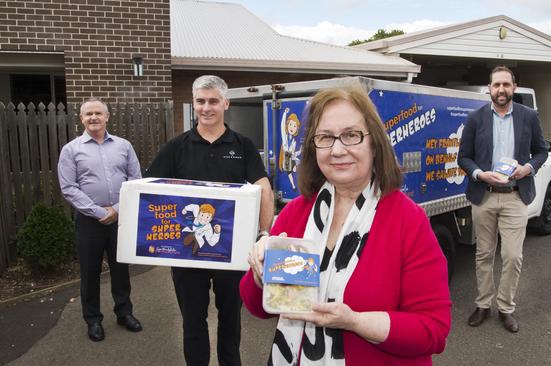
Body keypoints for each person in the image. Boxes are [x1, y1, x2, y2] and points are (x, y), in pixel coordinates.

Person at [240, 85, 451, 365]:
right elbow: (258, 307)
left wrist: (355, 322)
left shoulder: (407, 220)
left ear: (374, 143)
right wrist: (260, 270)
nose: (337, 150)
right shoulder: (297, 212)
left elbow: (432, 330)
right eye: (326, 137)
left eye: (351, 135)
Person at [145, 75, 274, 366]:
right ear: (193, 104)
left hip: (231, 253)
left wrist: (264, 233)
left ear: (225, 103)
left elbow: (264, 189)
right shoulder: (176, 147)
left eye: (213, 101)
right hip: (188, 255)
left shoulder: (242, 145)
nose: (207, 107)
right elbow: (152, 189)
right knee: (193, 323)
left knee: (231, 322)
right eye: (201, 101)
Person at [457, 66, 548, 333]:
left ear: (514, 87)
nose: (501, 90)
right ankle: (483, 304)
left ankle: (506, 308)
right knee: (484, 253)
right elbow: (464, 157)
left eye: (506, 85)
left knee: (512, 256)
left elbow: (541, 152)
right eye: (496, 85)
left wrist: (527, 168)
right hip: (484, 196)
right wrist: (479, 173)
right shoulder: (475, 118)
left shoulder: (529, 117)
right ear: (489, 88)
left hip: (514, 196)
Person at [57, 97, 143, 342]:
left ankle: (124, 313)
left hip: (120, 219)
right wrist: (98, 212)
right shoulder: (71, 150)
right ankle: (93, 320)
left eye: (98, 113)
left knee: (121, 269)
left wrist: (116, 210)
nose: (93, 117)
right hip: (89, 221)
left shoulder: (124, 146)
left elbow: (134, 180)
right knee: (90, 272)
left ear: (107, 117)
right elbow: (69, 187)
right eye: (88, 114)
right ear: (81, 118)